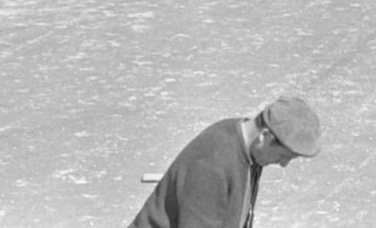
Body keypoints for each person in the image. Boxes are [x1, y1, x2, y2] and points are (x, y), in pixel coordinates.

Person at [130, 95, 321, 228]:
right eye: (283, 156)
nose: (283, 164)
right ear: (265, 136)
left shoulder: (251, 149)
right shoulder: (211, 166)